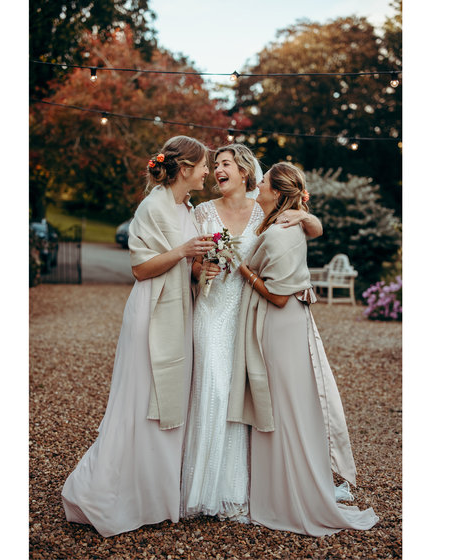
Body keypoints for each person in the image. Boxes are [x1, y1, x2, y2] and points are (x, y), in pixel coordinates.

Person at [61, 136, 216, 537]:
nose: (207, 172)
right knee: (140, 400)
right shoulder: (151, 206)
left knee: (168, 400)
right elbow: (141, 269)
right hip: (151, 310)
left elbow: (189, 265)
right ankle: (108, 493)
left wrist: (204, 269)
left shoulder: (187, 207)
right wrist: (184, 252)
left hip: (178, 309)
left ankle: (156, 497)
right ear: (184, 168)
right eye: (202, 165)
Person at [229, 162, 378, 536]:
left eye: (262, 182)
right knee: (284, 402)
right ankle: (279, 484)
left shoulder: (281, 233)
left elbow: (278, 297)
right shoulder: (278, 222)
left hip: (282, 325)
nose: (256, 185)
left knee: (282, 405)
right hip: (285, 325)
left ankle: (287, 492)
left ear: (277, 193)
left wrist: (243, 270)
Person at [180, 145, 323, 522]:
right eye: (215, 166)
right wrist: (201, 270)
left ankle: (236, 489)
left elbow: (312, 225)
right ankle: (202, 488)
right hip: (212, 312)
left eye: (225, 164)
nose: (217, 170)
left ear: (244, 171)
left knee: (238, 392)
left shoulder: (266, 211)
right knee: (212, 384)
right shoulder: (202, 212)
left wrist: (306, 220)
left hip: (248, 316)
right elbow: (193, 263)